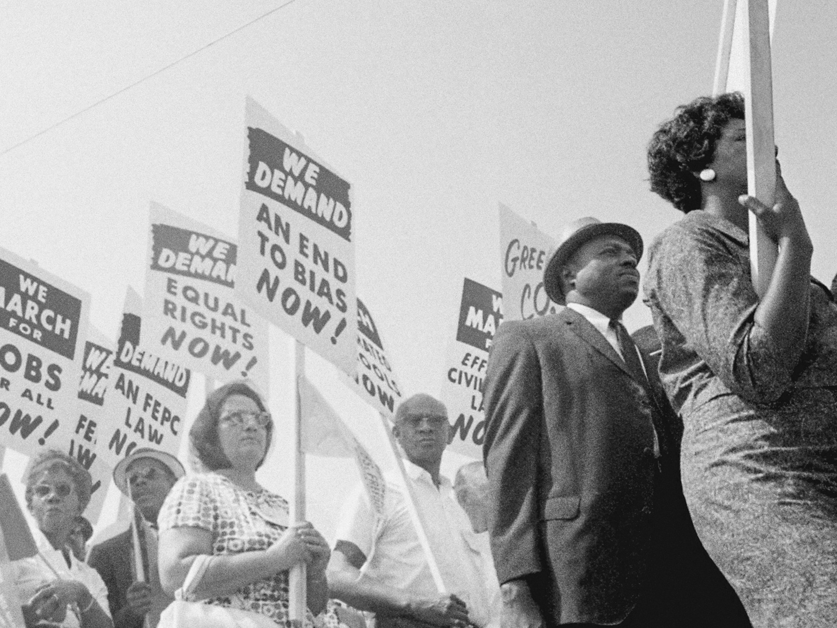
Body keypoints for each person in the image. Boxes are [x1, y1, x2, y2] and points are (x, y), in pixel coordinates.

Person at [482, 217, 749, 627]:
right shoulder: (529, 338)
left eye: (632, 256)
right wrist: (515, 585)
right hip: (583, 573)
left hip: (674, 571)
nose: (629, 262)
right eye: (610, 253)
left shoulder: (649, 352)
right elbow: (509, 463)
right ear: (569, 274)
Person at [645, 92, 837, 624]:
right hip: (760, 472)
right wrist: (798, 246)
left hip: (823, 466)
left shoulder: (777, 260)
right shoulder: (687, 241)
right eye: (742, 137)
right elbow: (759, 369)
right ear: (700, 166)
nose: (765, 145)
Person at [158, 381, 343, 628]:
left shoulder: (284, 506)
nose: (251, 425)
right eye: (235, 418)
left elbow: (313, 609)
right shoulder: (198, 488)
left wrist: (316, 574)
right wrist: (274, 558)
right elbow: (176, 575)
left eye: (259, 418)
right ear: (210, 434)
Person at [328, 394, 496, 628]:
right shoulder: (380, 490)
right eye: (414, 420)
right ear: (396, 434)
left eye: (435, 420)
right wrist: (416, 604)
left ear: (450, 432)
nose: (426, 427)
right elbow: (336, 575)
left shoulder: (457, 503)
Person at [88, 448, 185, 628]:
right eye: (132, 479)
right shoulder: (106, 553)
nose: (140, 480)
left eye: (150, 473)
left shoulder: (199, 540)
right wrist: (132, 611)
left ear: (173, 483)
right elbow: (93, 622)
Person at [17, 449, 113, 628]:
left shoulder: (90, 578)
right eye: (43, 490)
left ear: (80, 505)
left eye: (63, 489)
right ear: (30, 506)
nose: (52, 496)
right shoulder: (11, 555)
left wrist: (82, 595)